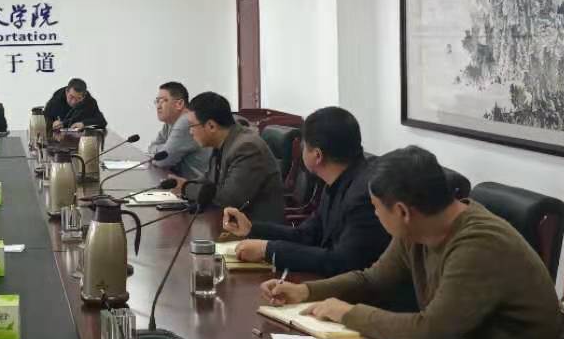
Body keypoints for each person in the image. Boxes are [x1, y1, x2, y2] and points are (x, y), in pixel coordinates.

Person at [261, 145, 564, 339]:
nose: (375, 215)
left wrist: (348, 313)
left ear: (403, 212)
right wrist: (306, 291)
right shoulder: (418, 229)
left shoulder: (479, 244)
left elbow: (430, 333)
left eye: (376, 208)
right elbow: (373, 280)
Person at [222, 107, 389, 277]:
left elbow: (342, 262)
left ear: (317, 155)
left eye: (303, 146)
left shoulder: (364, 196)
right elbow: (306, 235)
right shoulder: (337, 179)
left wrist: (268, 251)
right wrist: (252, 229)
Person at [170, 91, 283, 222]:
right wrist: (184, 184)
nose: (190, 132)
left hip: (254, 228)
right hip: (227, 222)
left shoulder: (247, 147)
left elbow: (229, 199)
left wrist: (186, 188)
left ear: (211, 126)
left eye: (192, 126)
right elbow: (209, 179)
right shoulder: (224, 141)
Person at [149, 80, 209, 180]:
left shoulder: (186, 122)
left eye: (163, 101)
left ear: (179, 104)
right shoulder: (169, 123)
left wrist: (167, 149)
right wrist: (166, 148)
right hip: (180, 182)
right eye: (157, 101)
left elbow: (163, 160)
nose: (158, 106)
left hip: (196, 186)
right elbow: (151, 148)